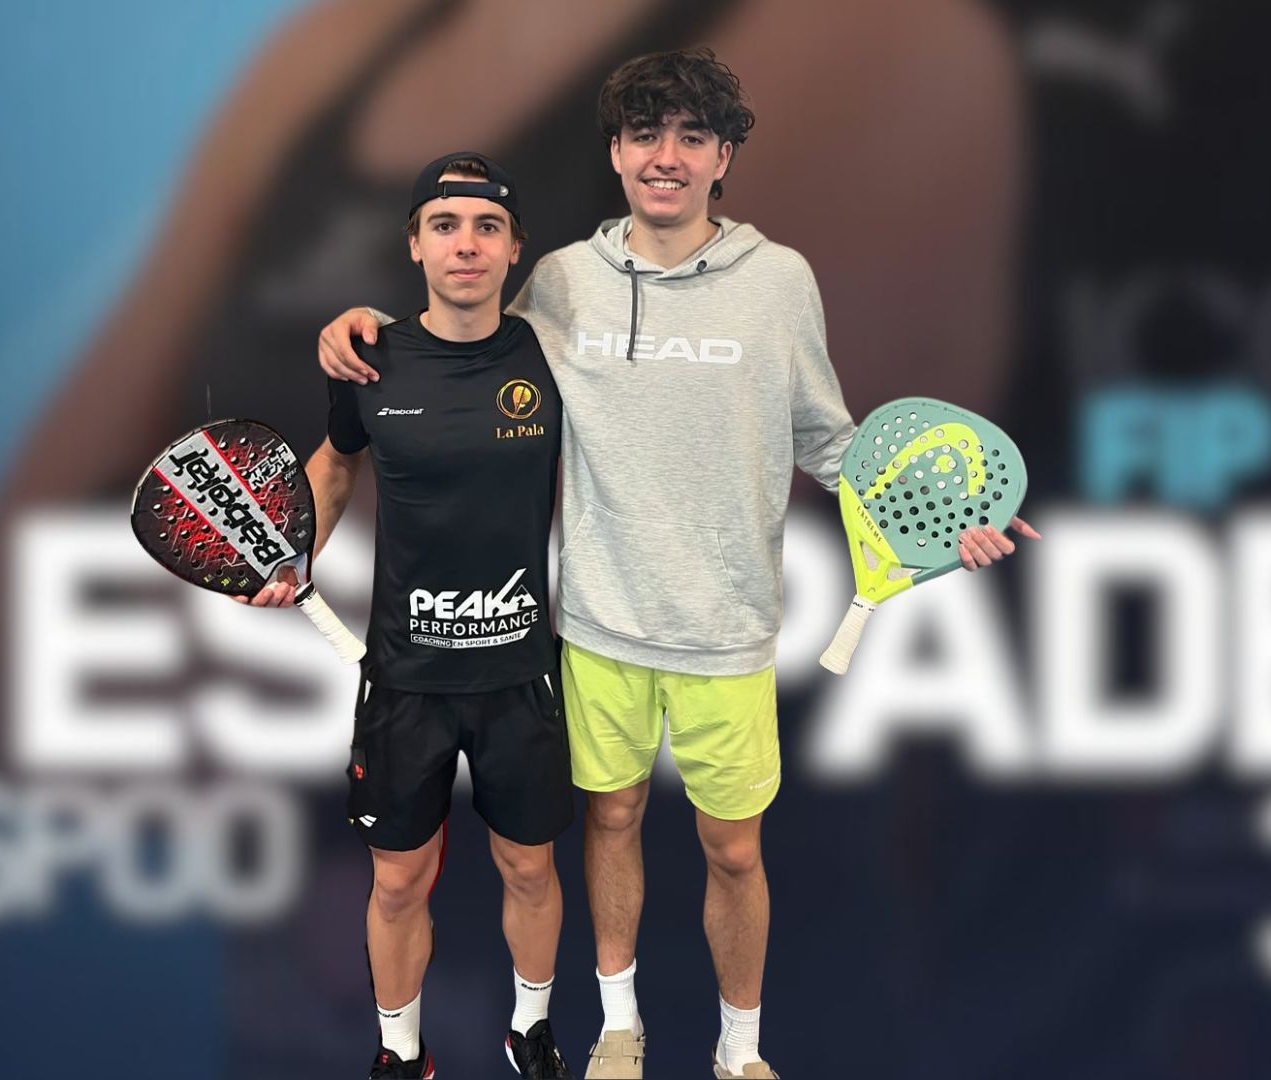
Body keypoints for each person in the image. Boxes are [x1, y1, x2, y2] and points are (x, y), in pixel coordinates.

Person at [318, 50, 1039, 1079]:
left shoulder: (780, 281)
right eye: (646, 135)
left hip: (728, 629)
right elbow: (463, 348)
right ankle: (619, 1030)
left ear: (723, 158)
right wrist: (363, 332)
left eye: (692, 137)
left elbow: (827, 440)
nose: (667, 157)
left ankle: (740, 1050)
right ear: (615, 154)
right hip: (598, 625)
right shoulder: (562, 280)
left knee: (734, 852)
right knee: (610, 823)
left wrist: (942, 517)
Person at [258, 152, 577, 1078]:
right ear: (414, 246)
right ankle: (400, 1053)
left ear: (515, 249)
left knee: (530, 869)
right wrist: (291, 551)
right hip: (405, 682)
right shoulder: (368, 358)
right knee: (397, 883)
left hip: (521, 674)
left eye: (486, 227)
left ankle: (531, 1030)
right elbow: (334, 465)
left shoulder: (557, 358)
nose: (465, 245)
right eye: (444, 226)